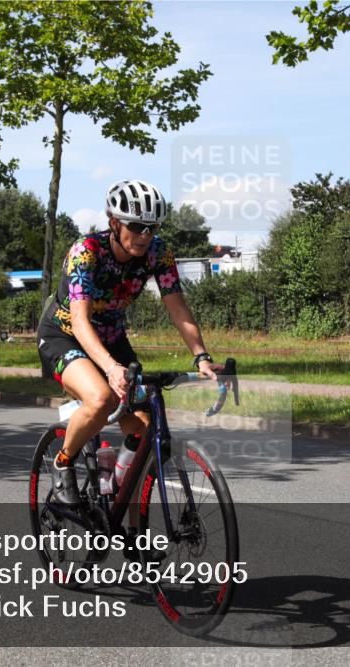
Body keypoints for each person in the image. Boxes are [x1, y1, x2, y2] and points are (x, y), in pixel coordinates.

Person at [37, 179, 223, 505]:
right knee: (101, 399)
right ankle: (63, 461)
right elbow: (80, 321)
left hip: (112, 338)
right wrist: (110, 368)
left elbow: (177, 306)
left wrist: (201, 356)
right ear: (114, 223)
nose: (145, 236)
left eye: (152, 228)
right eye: (137, 226)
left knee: (143, 431)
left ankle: (129, 521)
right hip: (64, 335)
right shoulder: (87, 252)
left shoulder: (158, 253)